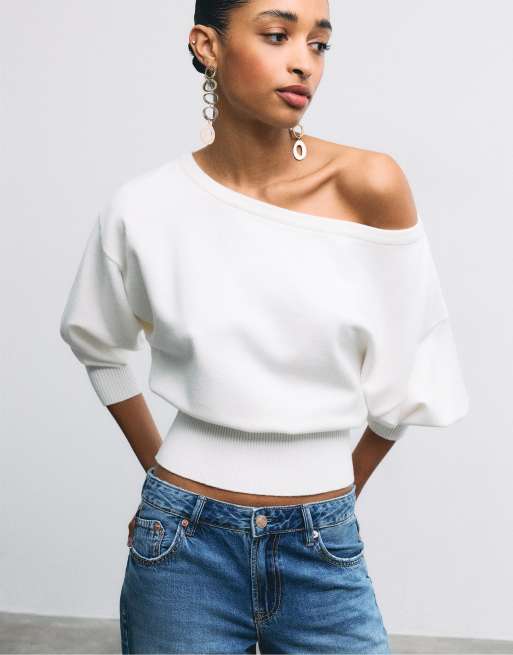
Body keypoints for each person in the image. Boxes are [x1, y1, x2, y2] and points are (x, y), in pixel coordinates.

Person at [59, 1, 469, 653]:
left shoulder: (369, 184)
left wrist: (329, 510)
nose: (303, 61)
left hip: (321, 542)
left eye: (319, 43)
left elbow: (413, 368)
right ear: (207, 46)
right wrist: (162, 484)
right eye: (278, 36)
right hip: (181, 542)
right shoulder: (145, 207)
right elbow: (98, 345)